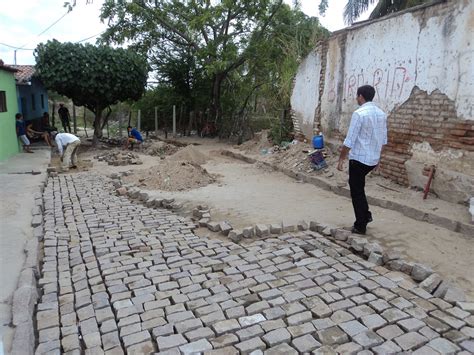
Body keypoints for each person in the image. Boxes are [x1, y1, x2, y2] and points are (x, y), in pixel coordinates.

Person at [337, 85, 387, 235]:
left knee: (356, 191)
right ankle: (365, 215)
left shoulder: (359, 114)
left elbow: (349, 140)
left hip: (358, 159)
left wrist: (341, 159)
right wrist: (379, 159)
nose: (356, 98)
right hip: (371, 159)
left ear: (360, 96)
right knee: (359, 188)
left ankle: (360, 224)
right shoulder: (381, 114)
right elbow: (383, 140)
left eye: (356, 96)